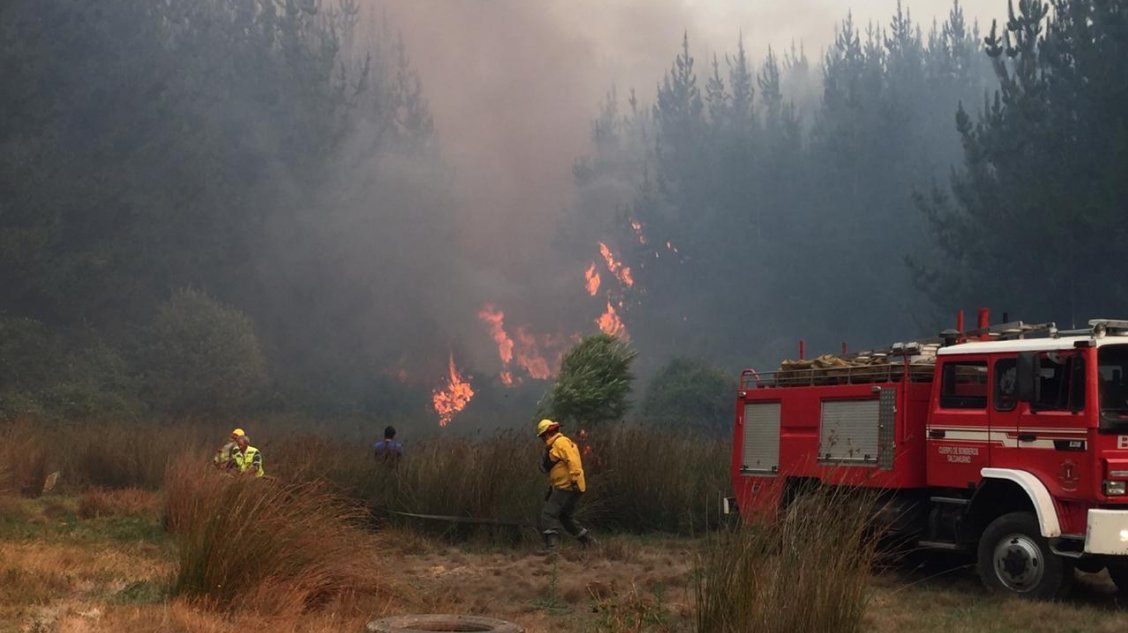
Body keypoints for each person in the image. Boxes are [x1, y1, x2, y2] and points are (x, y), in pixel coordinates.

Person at [536, 418, 596, 553]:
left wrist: (574, 479)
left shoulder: (560, 443)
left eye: (542, 436)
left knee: (548, 514)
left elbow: (573, 460)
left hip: (566, 486)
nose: (542, 439)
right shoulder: (559, 443)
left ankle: (552, 548)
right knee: (565, 517)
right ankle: (589, 542)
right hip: (570, 486)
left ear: (547, 434)